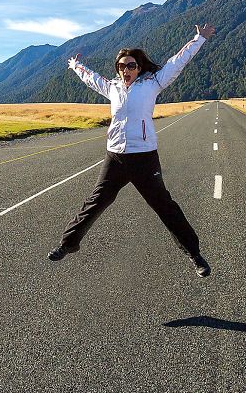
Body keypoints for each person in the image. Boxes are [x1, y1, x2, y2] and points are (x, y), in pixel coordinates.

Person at [48, 23, 216, 277]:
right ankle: (68, 244)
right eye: (121, 66)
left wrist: (199, 39)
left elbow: (177, 62)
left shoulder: (153, 83)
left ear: (139, 67)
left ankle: (195, 254)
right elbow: (91, 78)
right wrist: (75, 66)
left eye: (130, 65)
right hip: (115, 157)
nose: (125, 70)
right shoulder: (112, 87)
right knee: (96, 201)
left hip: (144, 158)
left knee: (164, 206)